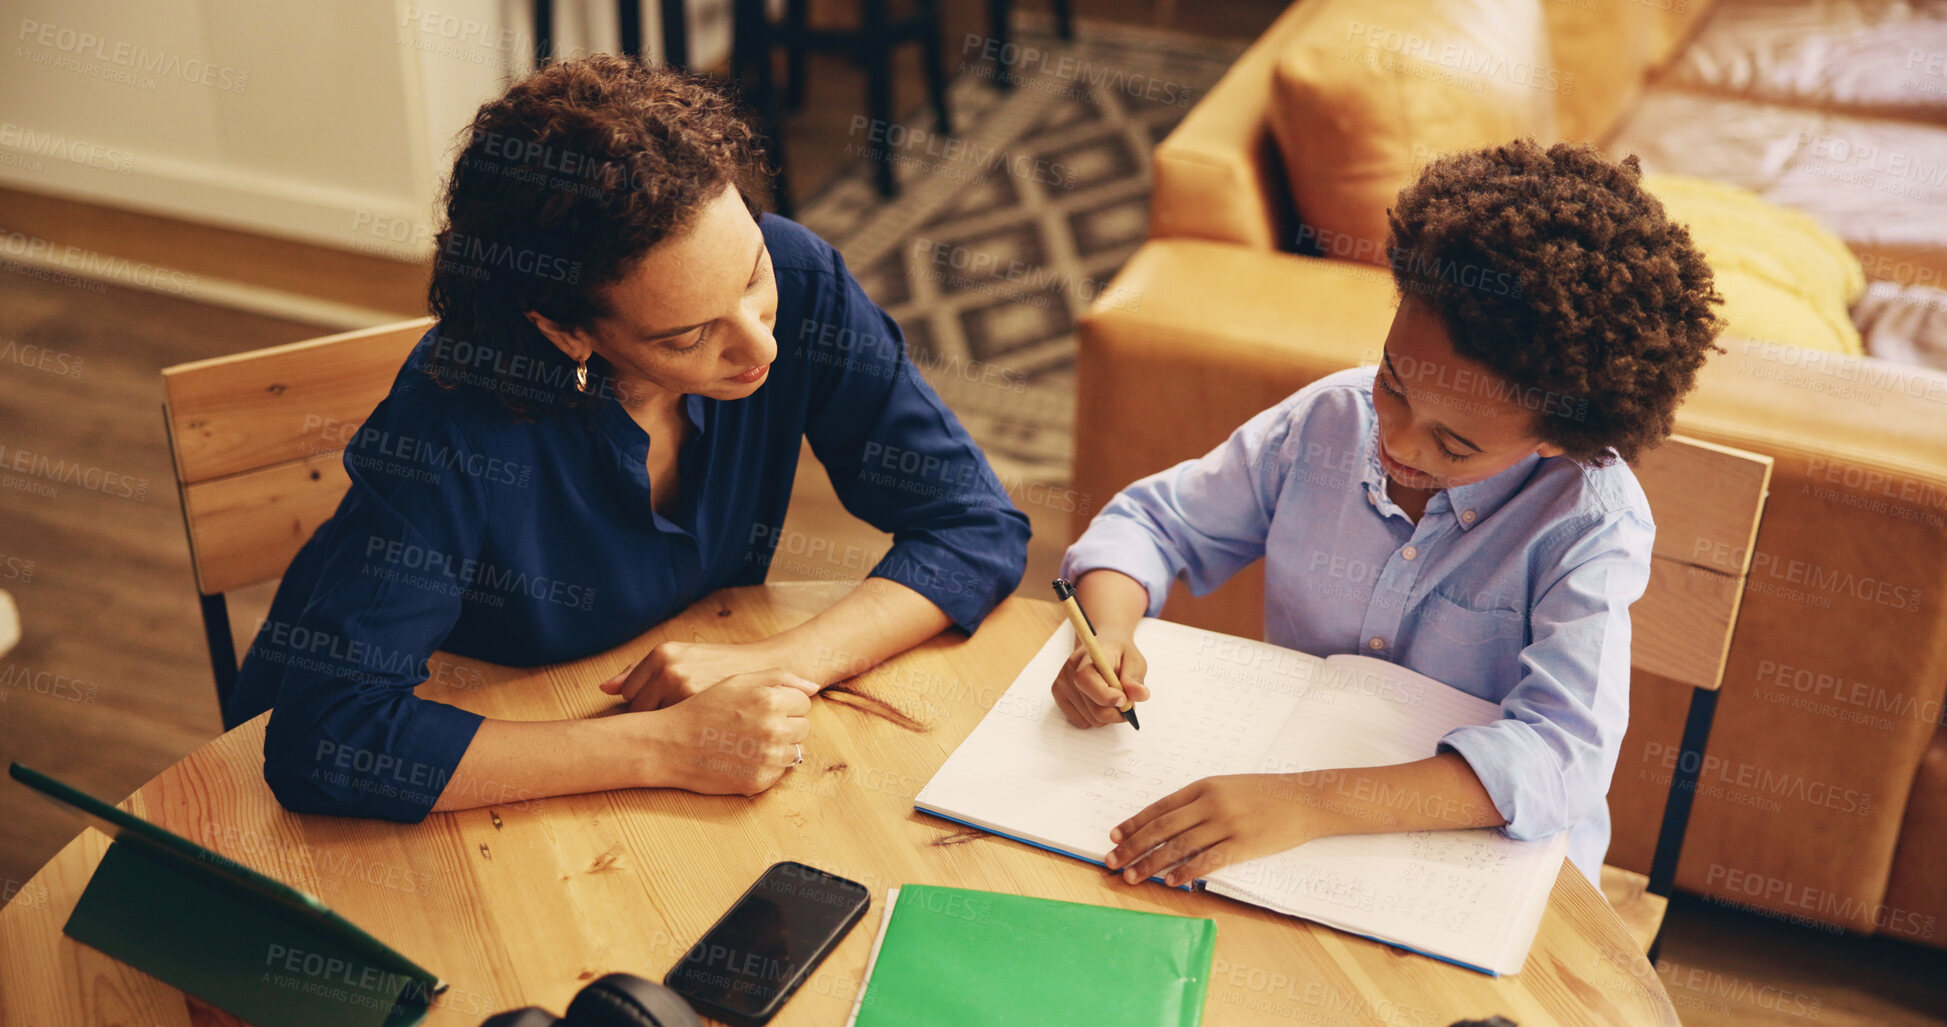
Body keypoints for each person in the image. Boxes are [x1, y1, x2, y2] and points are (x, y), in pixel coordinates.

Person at [233, 56, 1029, 819]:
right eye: (686, 337)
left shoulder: (802, 277)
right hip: (442, 764)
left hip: (626, 738)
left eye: (752, 278)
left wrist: (781, 660)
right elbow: (328, 735)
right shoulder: (451, 423)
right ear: (566, 330)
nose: (761, 348)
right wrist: (660, 748)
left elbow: (974, 525)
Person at [1051, 140, 1724, 886]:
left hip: (1470, 857)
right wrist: (1106, 631)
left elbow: (1560, 756)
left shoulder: (1586, 522)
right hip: (1281, 813)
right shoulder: (1326, 421)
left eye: (1455, 442)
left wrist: (1311, 801)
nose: (1394, 442)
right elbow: (1150, 525)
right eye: (1394, 382)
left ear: (1556, 438)